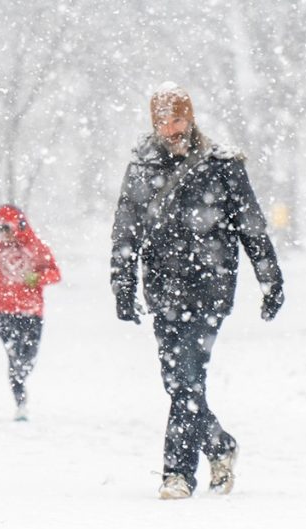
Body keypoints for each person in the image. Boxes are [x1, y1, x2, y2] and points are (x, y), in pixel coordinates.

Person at [110, 83, 284, 499]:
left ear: (191, 118)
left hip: (210, 287)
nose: (170, 129)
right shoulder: (142, 168)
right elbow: (125, 230)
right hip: (163, 290)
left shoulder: (222, 165)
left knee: (188, 377)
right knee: (177, 381)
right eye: (162, 121)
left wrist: (270, 279)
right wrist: (122, 284)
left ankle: (178, 473)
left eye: (177, 119)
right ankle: (220, 445)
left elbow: (251, 226)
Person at [0, 204, 61, 421]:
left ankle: (21, 375)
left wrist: (37, 278)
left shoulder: (36, 247)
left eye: (6, 228)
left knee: (28, 356)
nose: (2, 233)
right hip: (3, 311)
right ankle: (20, 400)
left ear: (19, 226)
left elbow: (55, 273)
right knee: (14, 356)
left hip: (31, 312)